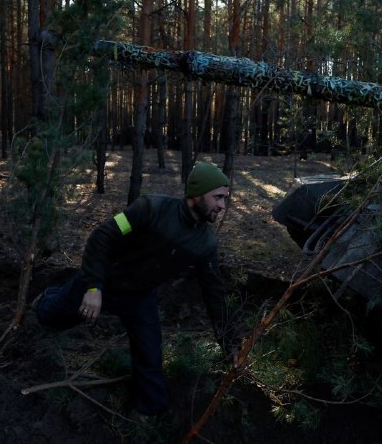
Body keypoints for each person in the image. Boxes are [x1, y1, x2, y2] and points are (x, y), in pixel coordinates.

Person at [34, 162, 240, 417]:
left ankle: (146, 417)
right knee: (50, 315)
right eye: (218, 197)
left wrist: (230, 343)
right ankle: (46, 297)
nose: (222, 206)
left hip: (139, 298)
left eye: (224, 199)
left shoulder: (205, 243)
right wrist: (93, 288)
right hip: (103, 281)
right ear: (196, 194)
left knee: (150, 362)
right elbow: (102, 236)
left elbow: (214, 292)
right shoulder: (149, 208)